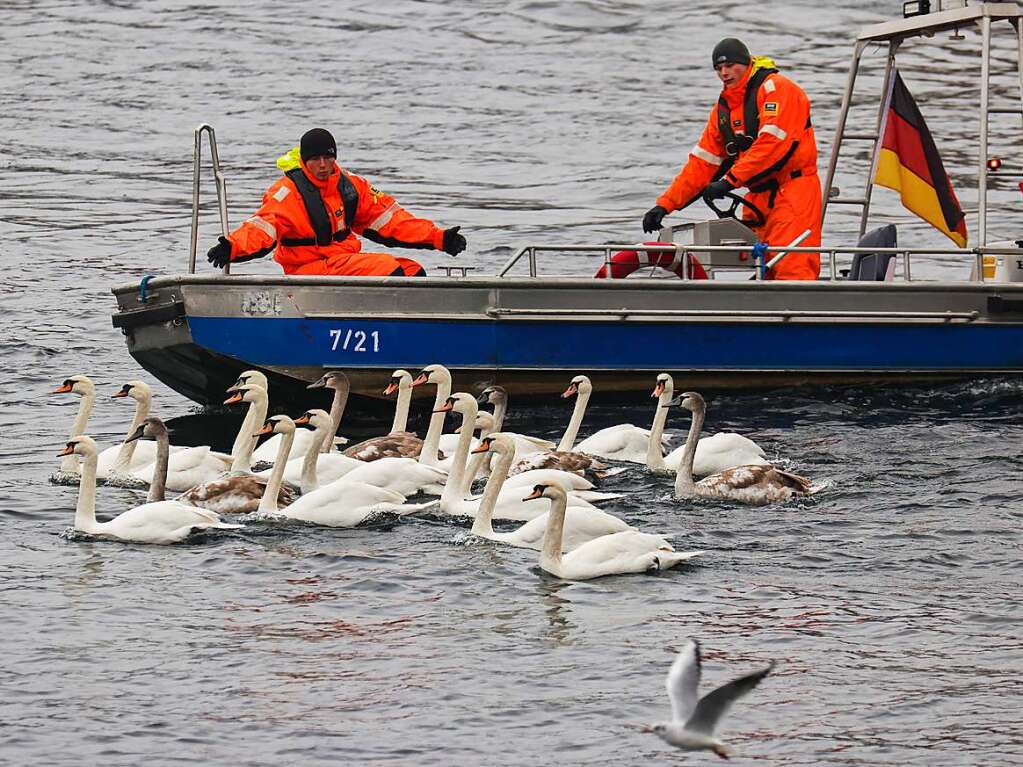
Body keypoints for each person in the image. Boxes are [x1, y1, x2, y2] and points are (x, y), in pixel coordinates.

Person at [641, 38, 821, 280]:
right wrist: (665, 205)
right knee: (754, 270)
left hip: (793, 192)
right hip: (755, 199)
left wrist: (729, 181)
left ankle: (801, 314)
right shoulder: (724, 111)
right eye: (718, 68)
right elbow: (702, 163)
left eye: (730, 66)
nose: (724, 73)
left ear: (746, 63)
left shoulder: (778, 90)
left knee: (792, 267)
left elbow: (773, 145)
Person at [207, 128, 466, 276]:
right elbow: (261, 227)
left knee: (413, 272)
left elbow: (392, 221)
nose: (322, 165)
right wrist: (231, 247)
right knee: (387, 270)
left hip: (343, 262)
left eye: (327, 158)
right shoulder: (287, 193)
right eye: (315, 159)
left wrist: (439, 237)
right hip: (306, 271)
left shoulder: (351, 186)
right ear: (304, 160)